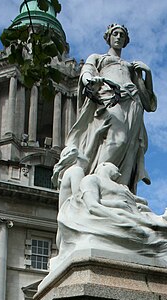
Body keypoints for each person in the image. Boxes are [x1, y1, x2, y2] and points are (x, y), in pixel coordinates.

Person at [65, 23, 156, 194]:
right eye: (115, 33)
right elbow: (88, 69)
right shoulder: (99, 57)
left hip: (133, 101)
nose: (118, 37)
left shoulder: (131, 66)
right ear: (108, 37)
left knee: (131, 147)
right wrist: (87, 79)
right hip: (111, 97)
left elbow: (149, 101)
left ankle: (122, 189)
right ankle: (99, 181)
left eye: (122, 35)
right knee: (118, 139)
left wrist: (148, 73)